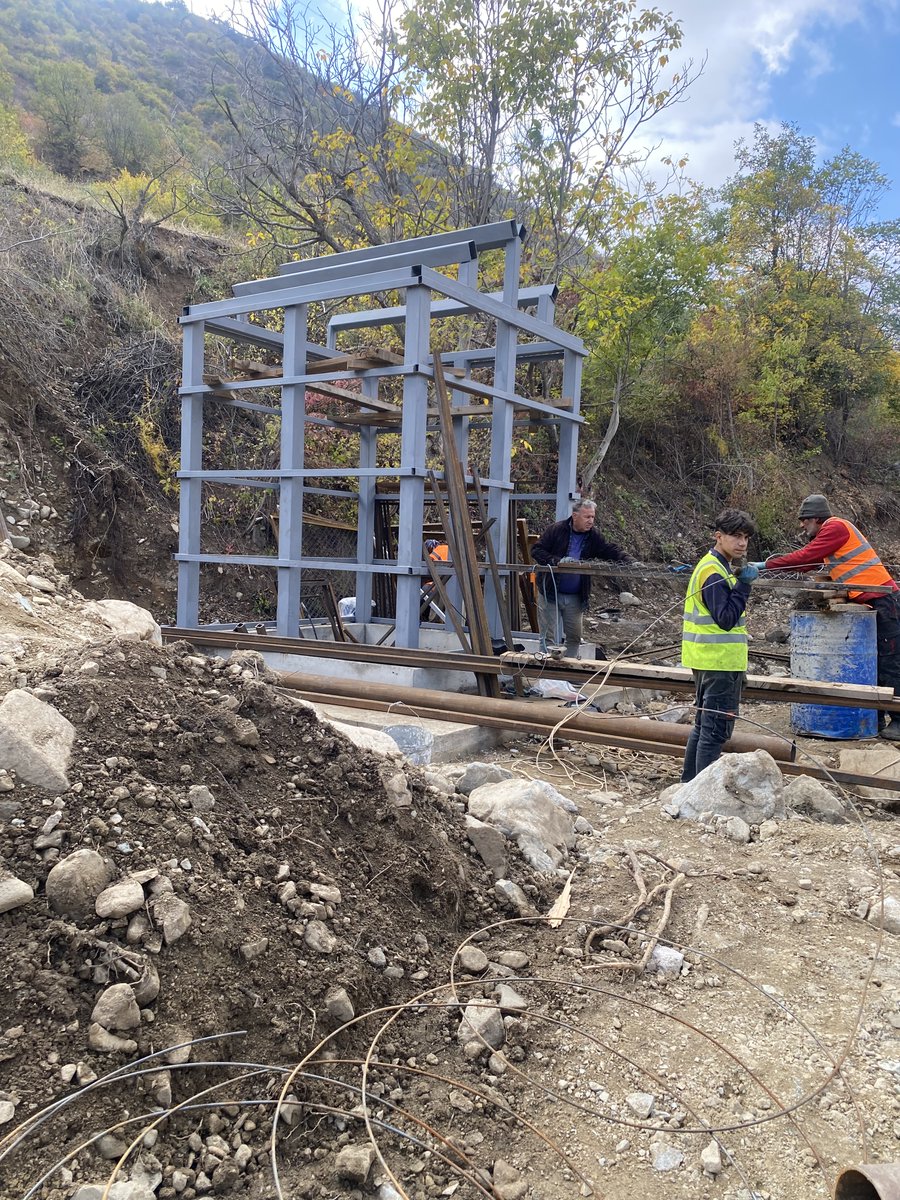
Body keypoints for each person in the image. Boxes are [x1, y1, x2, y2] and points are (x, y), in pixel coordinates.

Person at [765, 494, 900, 740]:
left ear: (816, 518)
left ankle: (899, 721)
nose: (802, 525)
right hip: (871, 600)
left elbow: (805, 556)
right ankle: (877, 718)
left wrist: (766, 565)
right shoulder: (830, 536)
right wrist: (771, 565)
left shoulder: (835, 527)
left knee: (890, 662)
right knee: (875, 664)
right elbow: (808, 563)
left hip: (882, 599)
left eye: (804, 520)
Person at [681, 509, 759, 782]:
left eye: (746, 537)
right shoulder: (714, 572)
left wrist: (737, 579)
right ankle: (701, 792)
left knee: (703, 727)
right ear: (719, 537)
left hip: (706, 660)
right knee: (714, 732)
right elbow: (725, 619)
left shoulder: (713, 566)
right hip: (719, 663)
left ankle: (687, 784)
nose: (742, 543)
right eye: (736, 536)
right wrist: (744, 586)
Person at [530, 499, 630, 658]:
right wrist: (556, 561)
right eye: (587, 517)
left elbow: (608, 549)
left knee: (574, 636)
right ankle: (547, 676)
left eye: (592, 517)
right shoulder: (556, 530)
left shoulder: (593, 536)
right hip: (551, 593)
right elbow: (536, 550)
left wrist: (628, 560)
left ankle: (568, 673)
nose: (591, 521)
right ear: (575, 516)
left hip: (576, 597)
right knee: (549, 636)